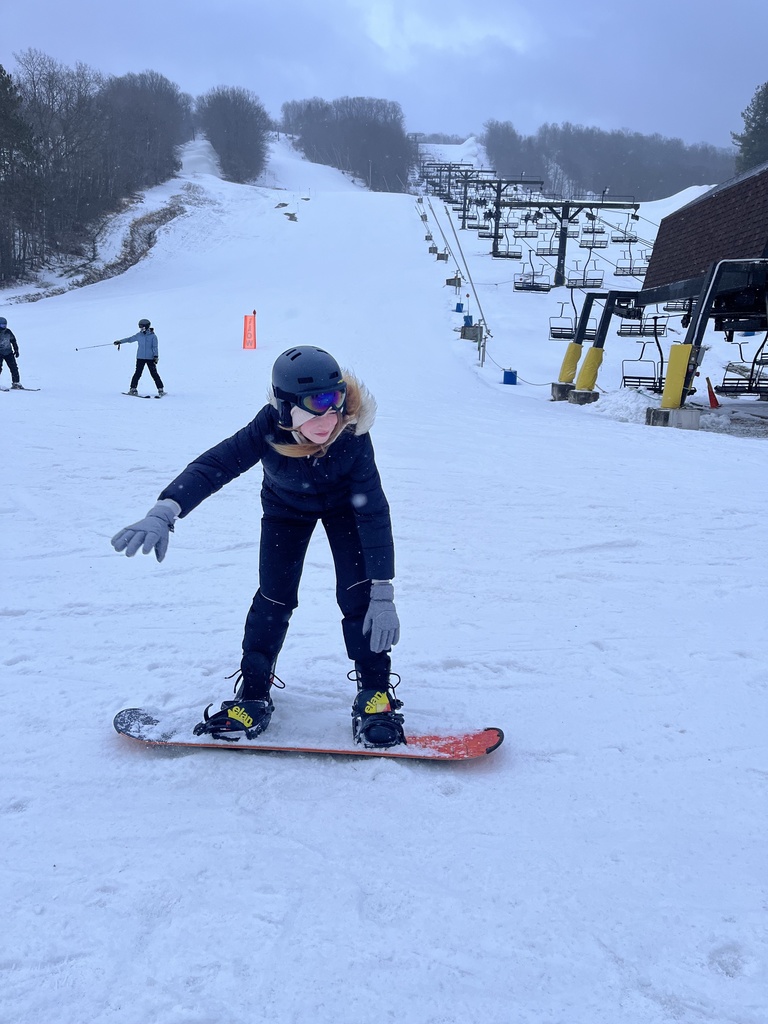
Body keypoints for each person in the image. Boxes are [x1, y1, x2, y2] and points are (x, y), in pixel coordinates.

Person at [110, 345, 404, 748]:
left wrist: (383, 588)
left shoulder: (352, 436)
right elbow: (216, 465)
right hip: (286, 510)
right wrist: (166, 509)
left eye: (334, 399)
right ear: (285, 408)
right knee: (274, 597)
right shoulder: (267, 429)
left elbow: (373, 511)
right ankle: (253, 693)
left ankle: (374, 693)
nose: (328, 415)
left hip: (346, 513)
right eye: (314, 403)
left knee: (359, 596)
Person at [114, 318, 165, 396]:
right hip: (140, 357)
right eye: (140, 326)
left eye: (142, 326)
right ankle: (133, 389)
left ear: (147, 326)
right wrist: (120, 341)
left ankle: (160, 389)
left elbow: (155, 347)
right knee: (137, 373)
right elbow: (130, 339)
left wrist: (156, 356)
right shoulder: (139, 335)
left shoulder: (153, 336)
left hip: (150, 358)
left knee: (154, 373)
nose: (141, 328)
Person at [0, 317, 23, 389]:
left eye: (5, 325)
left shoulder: (8, 331)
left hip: (8, 352)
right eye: (2, 325)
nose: (4, 327)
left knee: (14, 368)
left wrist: (16, 350)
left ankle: (16, 383)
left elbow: (13, 341)